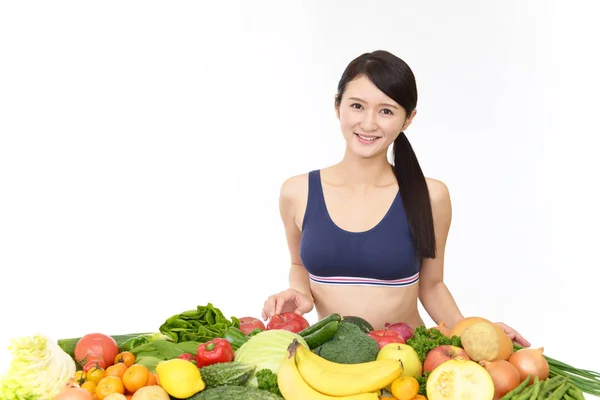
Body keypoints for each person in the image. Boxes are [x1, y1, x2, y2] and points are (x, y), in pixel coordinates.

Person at [261, 50, 530, 347]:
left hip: (410, 358)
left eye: (386, 111)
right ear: (337, 107)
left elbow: (432, 285)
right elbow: (299, 265)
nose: (368, 123)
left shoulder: (431, 196)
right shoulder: (297, 192)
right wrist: (300, 295)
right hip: (330, 361)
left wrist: (476, 334)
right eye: (357, 106)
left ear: (408, 119)